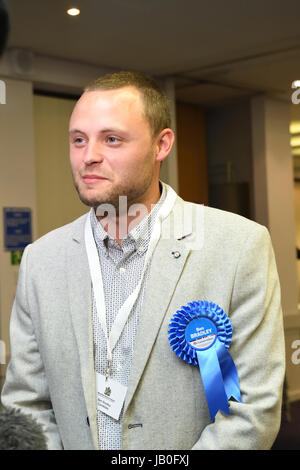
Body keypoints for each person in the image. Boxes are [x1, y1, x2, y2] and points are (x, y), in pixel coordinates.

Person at [1, 71, 285, 450]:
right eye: (79, 140)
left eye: (112, 139)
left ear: (161, 144)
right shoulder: (41, 260)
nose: (89, 156)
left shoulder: (237, 246)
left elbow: (251, 410)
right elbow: (26, 404)